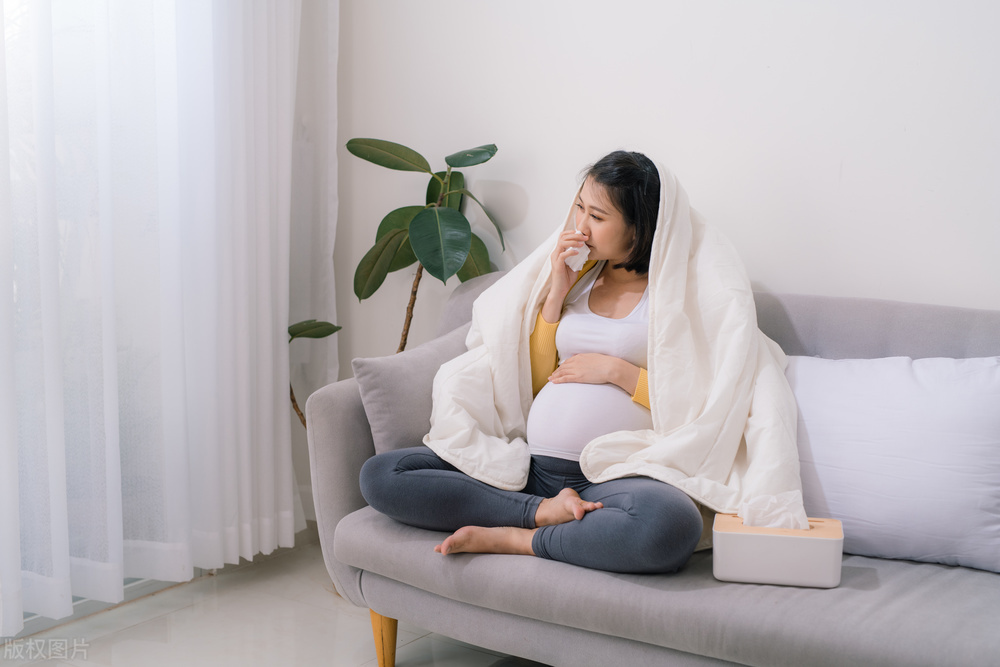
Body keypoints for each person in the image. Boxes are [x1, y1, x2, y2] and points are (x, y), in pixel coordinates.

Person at [360, 151, 706, 574]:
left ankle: (517, 537)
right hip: (534, 472)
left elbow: (697, 401)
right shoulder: (575, 280)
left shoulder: (672, 296)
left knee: (672, 524)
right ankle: (540, 513)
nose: (580, 226)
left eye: (597, 216)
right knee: (383, 473)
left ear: (639, 227)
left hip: (613, 478)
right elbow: (535, 379)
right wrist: (557, 292)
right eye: (579, 207)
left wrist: (618, 372)